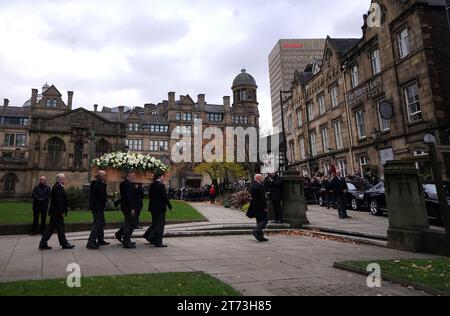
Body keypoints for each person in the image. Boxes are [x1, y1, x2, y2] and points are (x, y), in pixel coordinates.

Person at [39, 174, 75, 250]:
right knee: (60, 228)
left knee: (51, 229)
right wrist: (62, 211)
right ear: (59, 179)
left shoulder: (57, 186)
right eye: (64, 178)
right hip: (57, 212)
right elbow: (59, 201)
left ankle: (43, 243)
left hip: (55, 212)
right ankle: (64, 243)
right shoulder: (57, 187)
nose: (65, 180)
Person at [143, 172, 172, 247]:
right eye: (163, 176)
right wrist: (170, 206)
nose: (163, 178)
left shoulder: (152, 185)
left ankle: (148, 235)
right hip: (160, 208)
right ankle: (158, 241)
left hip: (153, 207)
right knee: (160, 224)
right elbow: (164, 197)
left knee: (155, 223)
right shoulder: (161, 185)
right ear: (160, 176)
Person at [86, 170, 110, 250]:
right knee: (97, 224)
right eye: (105, 175)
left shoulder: (96, 183)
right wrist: (105, 203)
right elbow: (101, 196)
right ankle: (91, 242)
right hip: (97, 207)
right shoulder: (100, 184)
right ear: (101, 177)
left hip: (96, 206)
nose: (106, 177)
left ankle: (100, 239)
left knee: (101, 223)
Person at [115, 172, 137, 249]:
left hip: (124, 206)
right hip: (128, 207)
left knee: (129, 223)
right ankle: (126, 242)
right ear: (129, 175)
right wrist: (132, 208)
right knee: (129, 224)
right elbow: (129, 197)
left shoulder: (123, 183)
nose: (134, 175)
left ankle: (126, 240)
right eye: (133, 174)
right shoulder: (129, 184)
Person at [247, 174, 269, 242]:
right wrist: (265, 207)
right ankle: (256, 230)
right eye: (262, 178)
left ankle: (260, 236)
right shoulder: (260, 186)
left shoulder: (252, 185)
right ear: (259, 178)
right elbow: (262, 198)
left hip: (254, 205)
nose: (262, 179)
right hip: (260, 206)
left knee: (259, 220)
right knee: (264, 220)